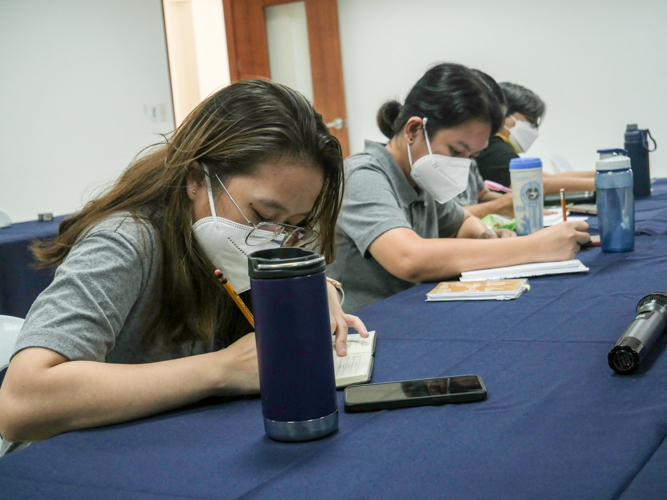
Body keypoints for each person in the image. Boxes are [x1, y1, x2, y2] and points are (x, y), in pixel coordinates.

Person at [0, 80, 367, 455]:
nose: (273, 240)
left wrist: (313, 289)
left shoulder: (225, 241)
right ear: (196, 179)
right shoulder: (126, 241)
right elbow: (21, 402)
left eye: (295, 224)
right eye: (263, 214)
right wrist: (223, 369)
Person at [327, 63, 590, 312]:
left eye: (471, 156)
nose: (461, 166)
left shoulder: (419, 177)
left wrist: (485, 236)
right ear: (414, 130)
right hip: (365, 330)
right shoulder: (361, 175)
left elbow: (460, 221)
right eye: (456, 150)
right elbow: (409, 259)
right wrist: (534, 247)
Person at [475, 82, 595, 194]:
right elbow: (536, 185)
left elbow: (549, 178)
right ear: (503, 113)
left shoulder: (499, 147)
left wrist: (600, 174)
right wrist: (601, 183)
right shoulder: (495, 149)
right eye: (530, 121)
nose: (533, 130)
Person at [455, 69, 513, 218]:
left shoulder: (469, 157)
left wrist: (513, 204)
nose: (486, 143)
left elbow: (482, 194)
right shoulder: (435, 163)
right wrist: (497, 206)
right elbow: (445, 219)